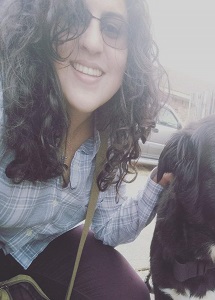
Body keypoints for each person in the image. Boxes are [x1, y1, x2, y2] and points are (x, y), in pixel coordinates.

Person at [0, 0, 171, 299]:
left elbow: (109, 227)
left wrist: (158, 183)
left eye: (113, 28)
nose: (92, 42)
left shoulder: (107, 140)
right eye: (72, 17)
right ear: (41, 28)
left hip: (40, 247)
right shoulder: (6, 107)